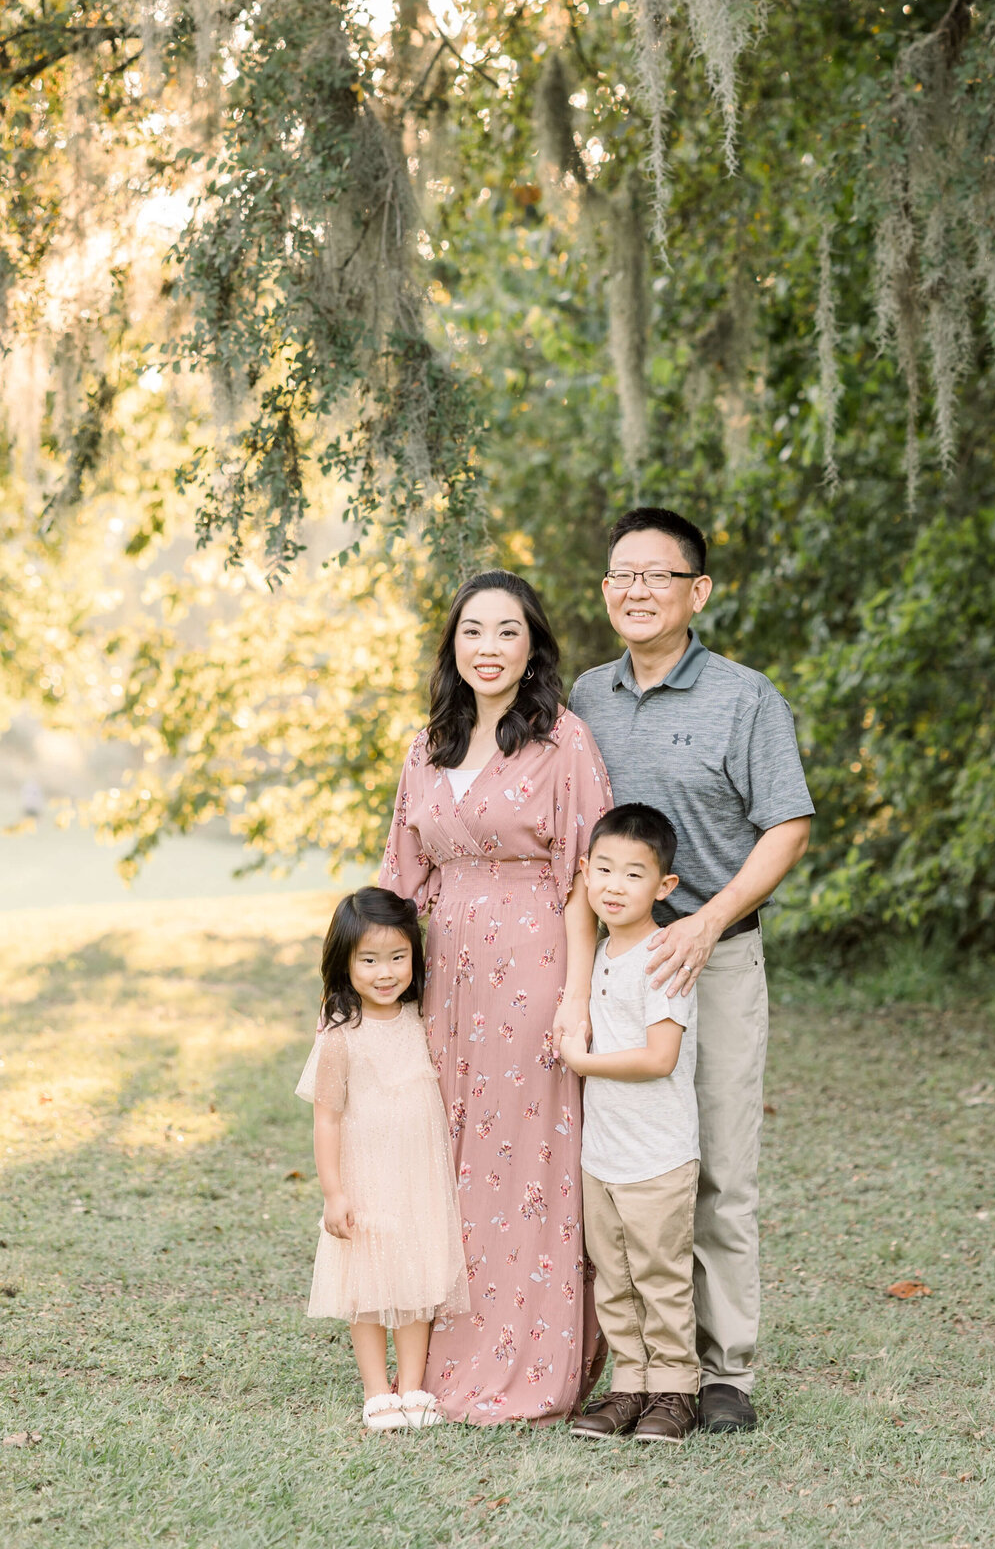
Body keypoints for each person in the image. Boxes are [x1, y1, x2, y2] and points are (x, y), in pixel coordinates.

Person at [568, 507, 815, 1434]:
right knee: (612, 1170)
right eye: (620, 575)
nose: (635, 590)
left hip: (713, 957)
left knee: (715, 1166)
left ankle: (724, 1375)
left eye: (657, 575)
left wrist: (708, 922)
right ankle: (634, 1366)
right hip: (610, 969)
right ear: (605, 592)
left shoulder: (746, 698)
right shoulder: (584, 699)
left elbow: (786, 822)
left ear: (696, 591)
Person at [379, 570, 612, 1424]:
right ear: (453, 646)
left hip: (533, 966)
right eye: (472, 632)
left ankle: (526, 1367)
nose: (488, 648)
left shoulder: (564, 740)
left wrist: (577, 994)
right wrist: (375, 995)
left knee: (522, 1167)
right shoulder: (426, 745)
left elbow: (587, 876)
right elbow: (401, 875)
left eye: (507, 632)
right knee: (442, 1158)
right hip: (441, 979)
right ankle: (431, 1364)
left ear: (533, 646)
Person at [295, 887, 468, 1433]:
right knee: (367, 1286)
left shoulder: (425, 1018)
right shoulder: (341, 1035)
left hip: (419, 1176)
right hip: (366, 1176)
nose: (385, 972)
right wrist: (333, 1191)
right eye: (368, 960)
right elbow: (326, 1116)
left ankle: (413, 1386)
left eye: (397, 957)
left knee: (417, 1282)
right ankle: (377, 1391)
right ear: (345, 963)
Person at [560, 803, 701, 1444]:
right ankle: (631, 1387)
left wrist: (583, 1061)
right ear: (586, 871)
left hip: (658, 1154)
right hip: (603, 1155)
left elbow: (659, 1057)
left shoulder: (663, 957)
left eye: (635, 875)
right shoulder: (599, 953)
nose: (615, 887)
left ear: (664, 886)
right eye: (605, 871)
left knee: (660, 1277)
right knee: (613, 1280)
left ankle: (675, 1391)